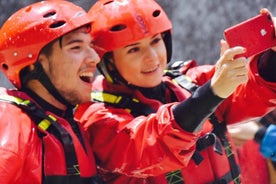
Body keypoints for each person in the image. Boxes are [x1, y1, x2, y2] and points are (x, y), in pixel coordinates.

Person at [76, 0, 276, 183]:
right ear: (107, 61)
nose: (152, 57)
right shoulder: (97, 118)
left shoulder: (188, 81)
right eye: (133, 49)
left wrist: (273, 59)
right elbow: (150, 145)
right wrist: (211, 94)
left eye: (155, 41)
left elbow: (252, 92)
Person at [0, 1, 101, 183]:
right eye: (76, 47)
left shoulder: (70, 124)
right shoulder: (9, 120)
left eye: (91, 46)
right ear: (33, 66)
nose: (95, 58)